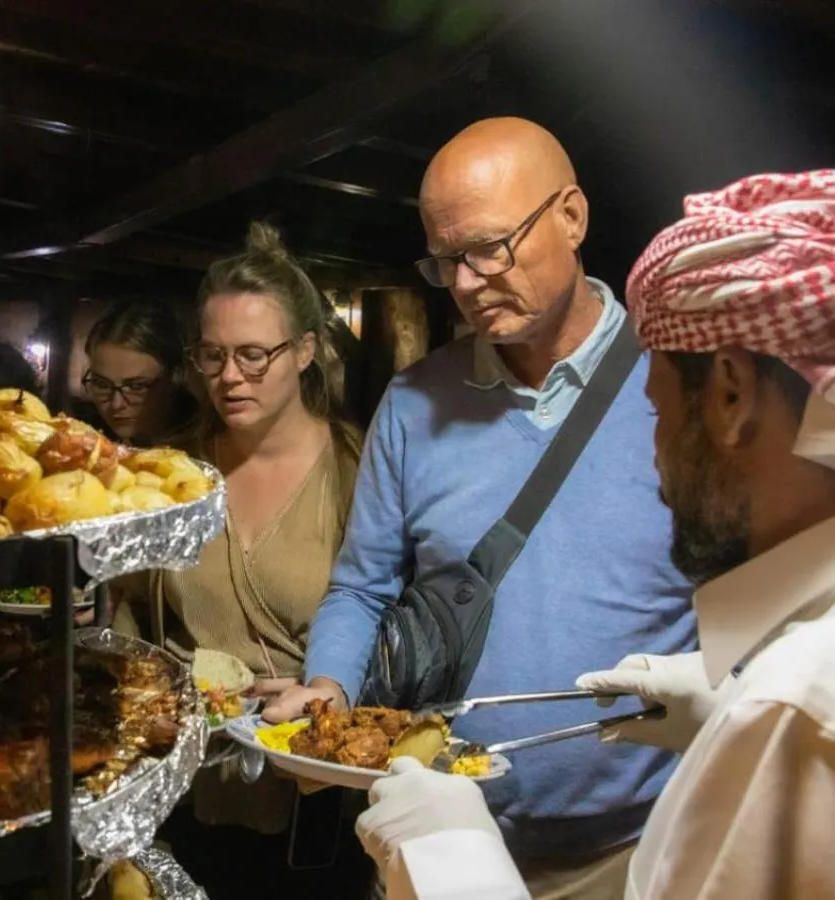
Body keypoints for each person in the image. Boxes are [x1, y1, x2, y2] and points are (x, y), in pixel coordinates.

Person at [357, 170, 835, 899]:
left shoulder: (805, 717)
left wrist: (449, 862)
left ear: (729, 394)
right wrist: (725, 712)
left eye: (657, 414)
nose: (657, 466)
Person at [263, 117, 696, 897]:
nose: (464, 283)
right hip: (437, 837)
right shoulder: (413, 403)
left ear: (572, 216)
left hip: (642, 851)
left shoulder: (680, 386)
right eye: (445, 261)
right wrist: (330, 686)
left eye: (489, 249)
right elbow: (362, 587)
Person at [143, 222, 367, 896]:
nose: (228, 377)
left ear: (305, 351)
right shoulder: (170, 473)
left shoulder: (360, 470)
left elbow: (386, 618)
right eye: (211, 356)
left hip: (316, 803)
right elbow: (127, 613)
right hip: (189, 797)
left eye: (252, 355)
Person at [81, 299, 197, 446]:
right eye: (102, 384)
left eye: (136, 387)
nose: (116, 405)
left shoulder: (208, 450)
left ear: (175, 377)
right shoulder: (91, 441)